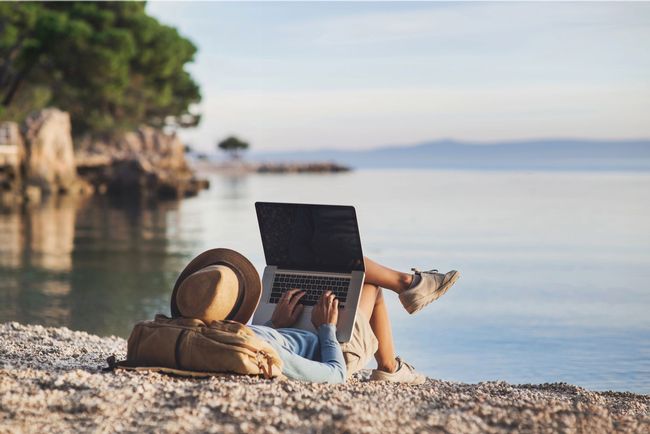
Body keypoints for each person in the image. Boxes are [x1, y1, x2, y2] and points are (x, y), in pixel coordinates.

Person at [170, 249, 460, 384]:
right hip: (332, 349)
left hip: (289, 329)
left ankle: (409, 285)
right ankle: (389, 367)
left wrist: (274, 324)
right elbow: (334, 375)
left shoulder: (217, 335)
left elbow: (261, 337)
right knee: (367, 283)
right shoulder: (257, 349)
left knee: (335, 260)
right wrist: (327, 328)